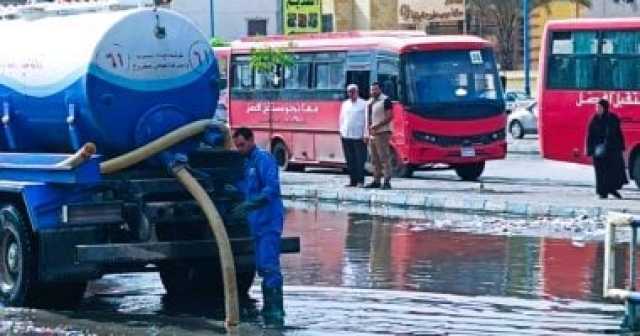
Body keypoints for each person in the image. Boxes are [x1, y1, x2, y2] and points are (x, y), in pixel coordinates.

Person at [231, 127, 285, 324]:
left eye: (242, 145)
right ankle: (269, 308)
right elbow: (245, 187)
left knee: (269, 266)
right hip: (256, 223)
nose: (240, 149)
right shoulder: (247, 163)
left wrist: (249, 205)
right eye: (237, 146)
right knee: (262, 266)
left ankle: (275, 311)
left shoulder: (263, 159)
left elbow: (272, 188)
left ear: (251, 140)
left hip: (269, 221)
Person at [586, 99, 628, 199]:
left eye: (599, 107)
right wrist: (590, 149)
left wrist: (615, 146)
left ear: (605, 108)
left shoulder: (612, 118)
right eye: (596, 107)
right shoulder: (594, 119)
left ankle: (611, 189)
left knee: (611, 172)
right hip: (598, 150)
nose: (597, 109)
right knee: (600, 172)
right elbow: (590, 135)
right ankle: (602, 192)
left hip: (611, 150)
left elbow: (616, 133)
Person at [365, 82, 394, 190]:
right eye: (372, 90)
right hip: (372, 134)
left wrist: (377, 125)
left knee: (384, 158)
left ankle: (387, 181)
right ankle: (376, 180)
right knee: (374, 159)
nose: (373, 92)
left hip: (382, 133)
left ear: (380, 89)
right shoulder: (370, 102)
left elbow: (389, 116)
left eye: (375, 89)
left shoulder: (386, 100)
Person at [339, 84, 368, 187]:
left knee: (359, 160)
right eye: (349, 92)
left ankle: (360, 181)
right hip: (346, 135)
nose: (351, 93)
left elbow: (366, 120)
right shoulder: (345, 104)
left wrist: (366, 134)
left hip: (359, 136)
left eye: (353, 91)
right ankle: (352, 181)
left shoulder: (364, 104)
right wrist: (341, 131)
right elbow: (342, 119)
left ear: (357, 92)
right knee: (350, 160)